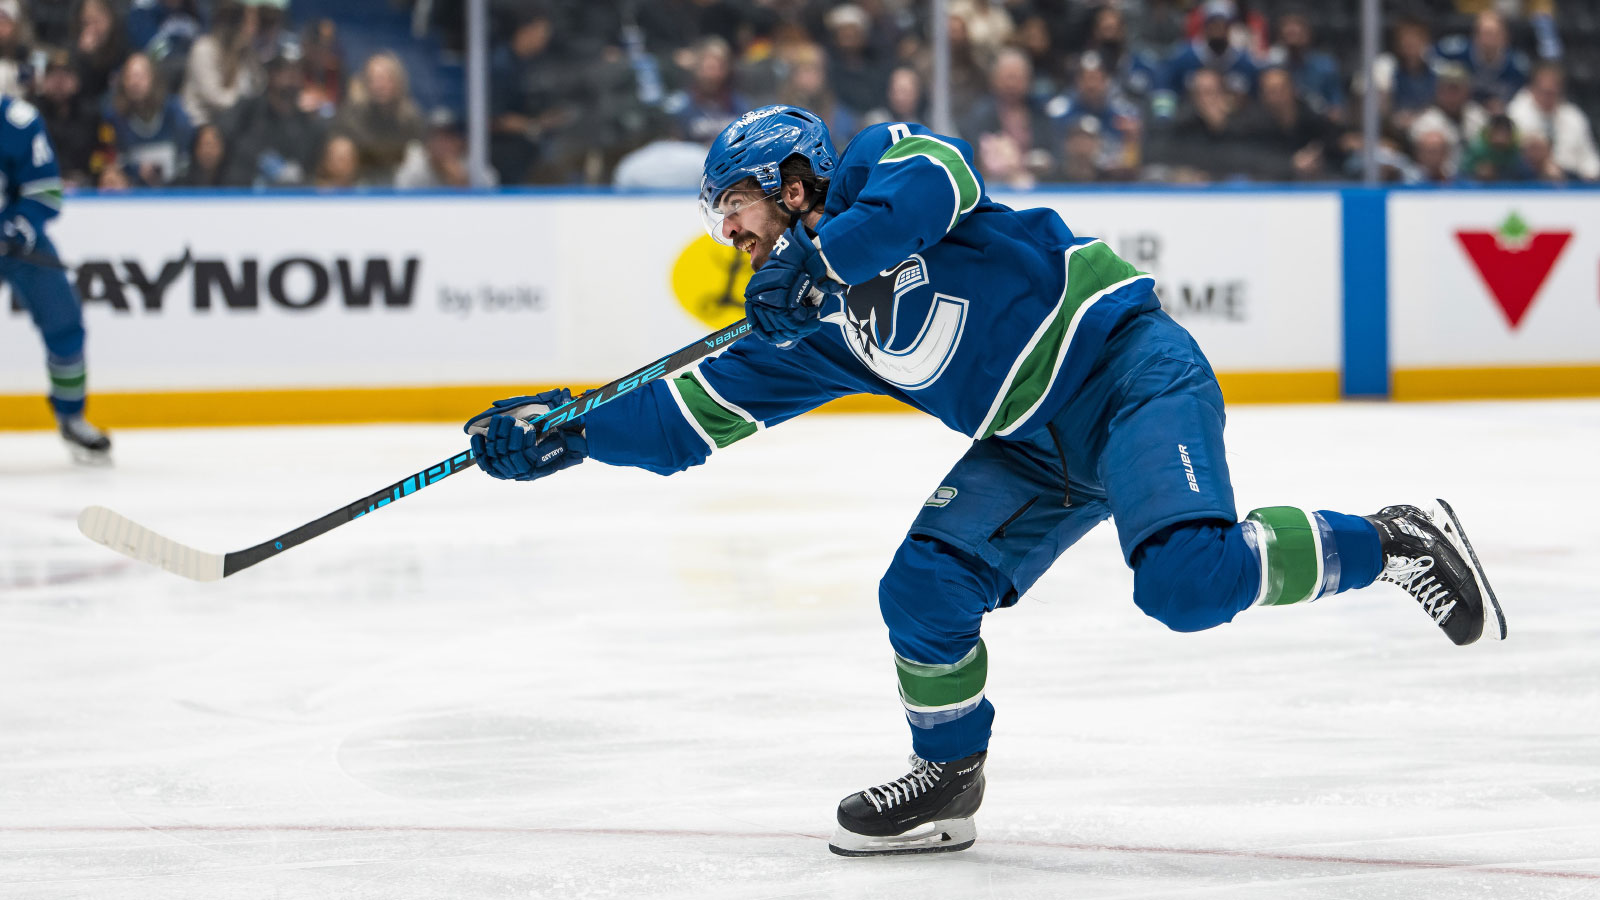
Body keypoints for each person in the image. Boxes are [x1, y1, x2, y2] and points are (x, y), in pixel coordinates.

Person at [462, 105, 1507, 856]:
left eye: (735, 209)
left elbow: (936, 186)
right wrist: (568, 432)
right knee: (919, 592)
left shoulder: (878, 165)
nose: (730, 238)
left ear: (791, 181)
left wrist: (826, 261)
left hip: (1125, 372)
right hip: (1030, 450)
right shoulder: (810, 327)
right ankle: (949, 777)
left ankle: (1393, 538)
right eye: (717, 225)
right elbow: (688, 419)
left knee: (1184, 586)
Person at [0, 94, 112, 463]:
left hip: (18, 247)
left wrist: (15, 227)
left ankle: (72, 417)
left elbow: (45, 191)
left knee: (63, 320)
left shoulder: (18, 120)